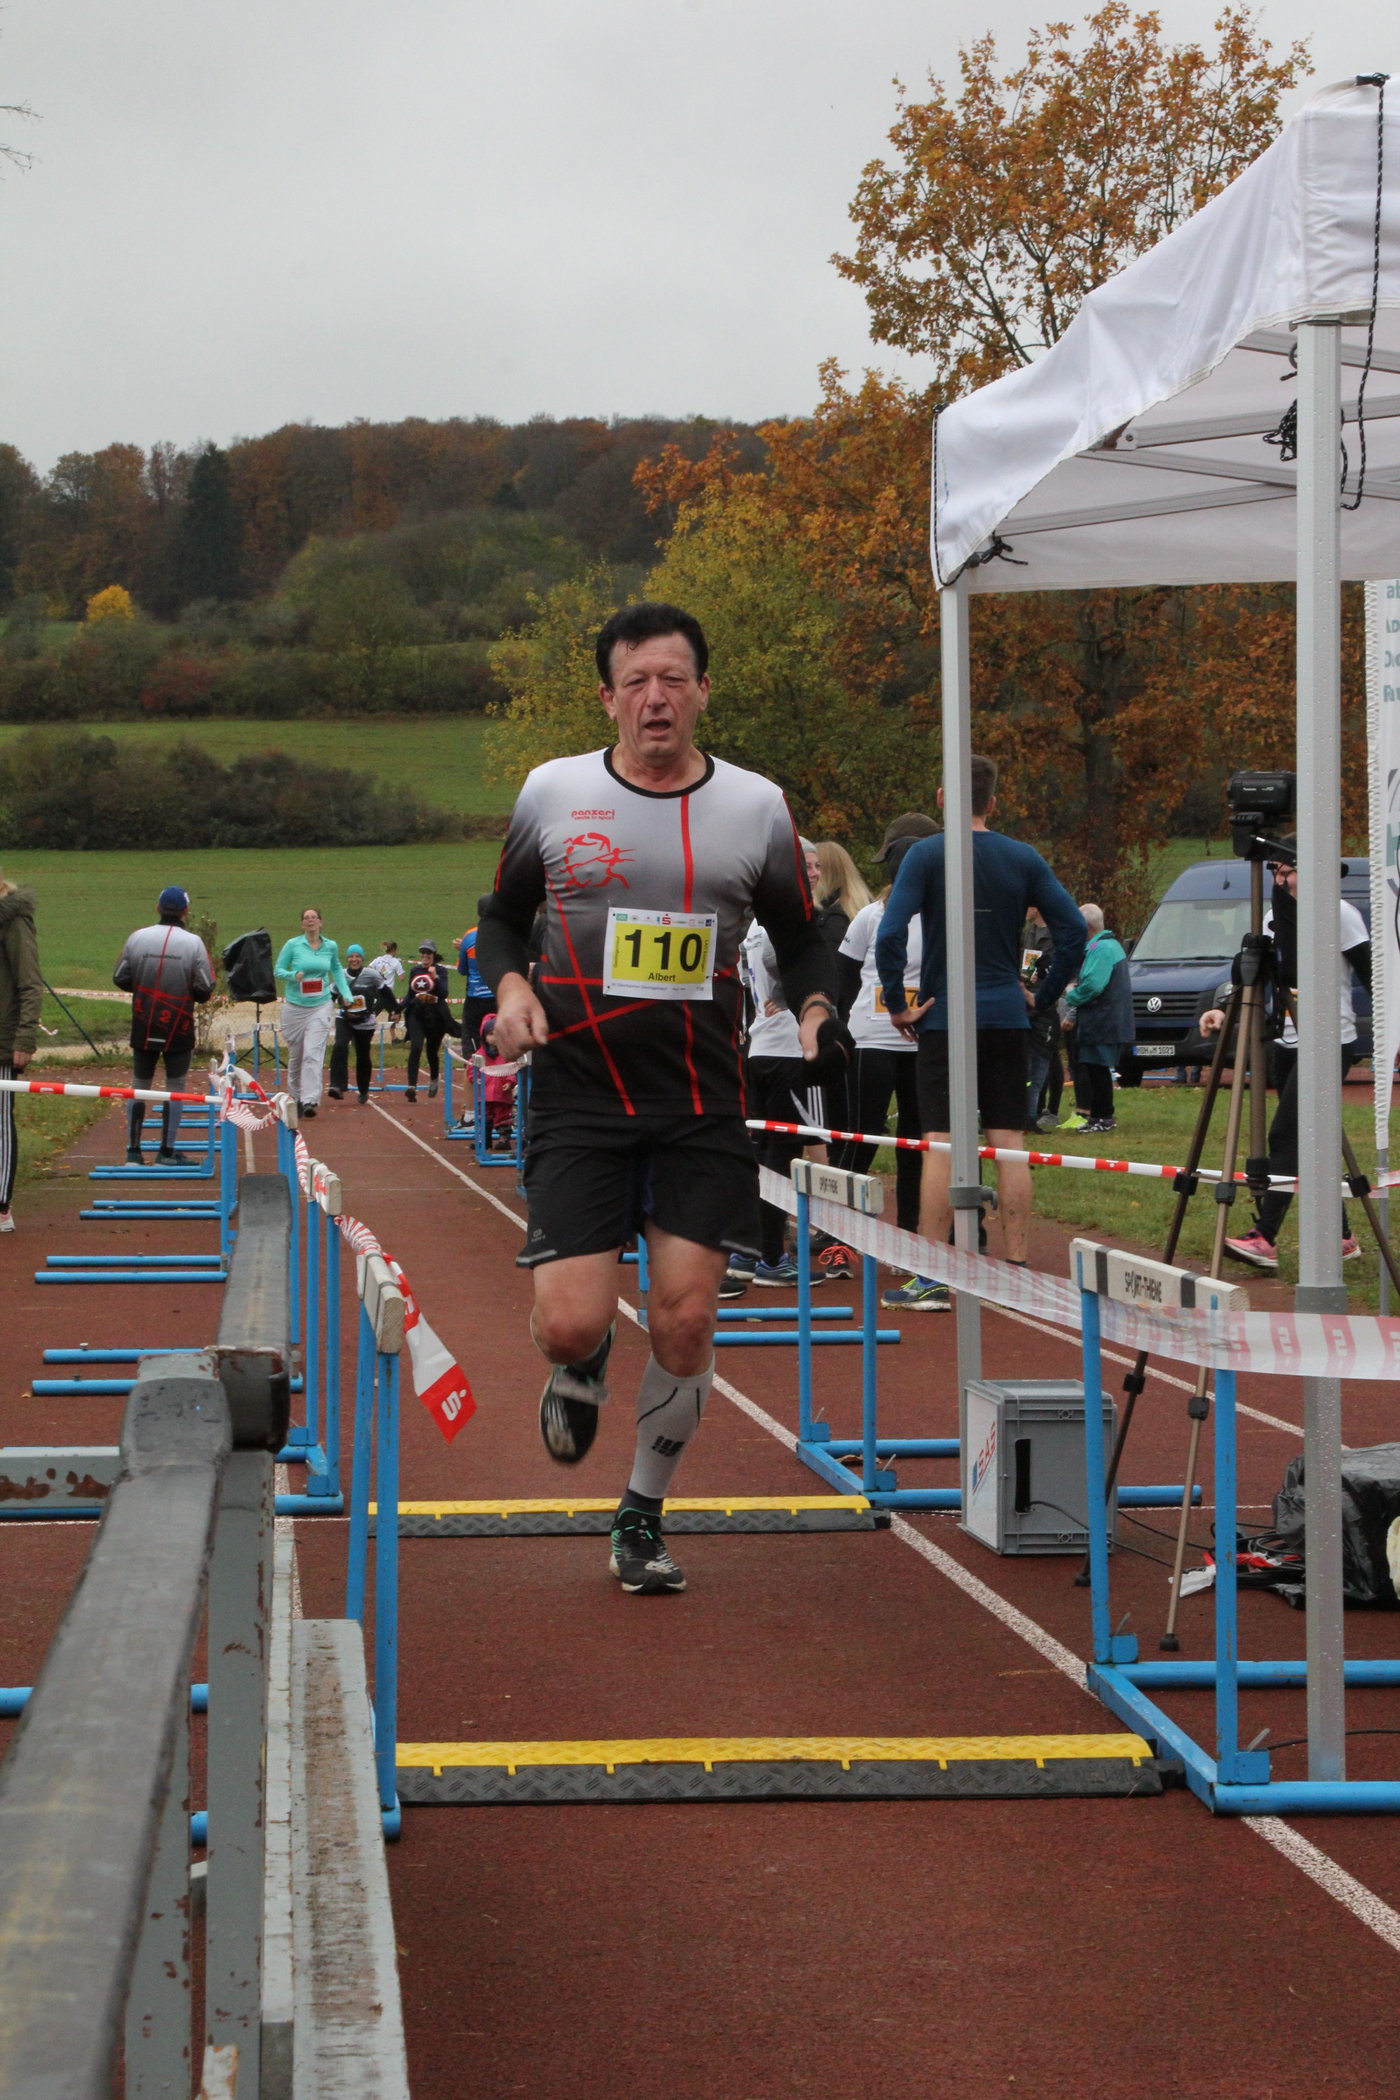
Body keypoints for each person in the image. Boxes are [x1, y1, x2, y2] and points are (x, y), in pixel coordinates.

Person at [477, 599, 846, 1595]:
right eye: (635, 681)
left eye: (672, 679)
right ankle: (583, 1359)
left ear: (702, 692)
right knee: (567, 1322)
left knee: (684, 1321)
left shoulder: (756, 807)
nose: (654, 698)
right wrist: (510, 989)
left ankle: (640, 1513)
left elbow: (801, 934)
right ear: (607, 698)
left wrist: (817, 1012)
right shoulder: (552, 793)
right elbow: (502, 918)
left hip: (698, 1099)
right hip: (580, 1094)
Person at [875, 755, 1086, 1308]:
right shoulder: (1023, 857)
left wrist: (897, 1004)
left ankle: (931, 1276)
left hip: (946, 1016)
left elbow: (890, 933)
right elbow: (1073, 930)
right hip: (1004, 1015)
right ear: (992, 802)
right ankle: (1016, 1269)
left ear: (942, 798)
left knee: (940, 1143)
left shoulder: (925, 854)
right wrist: (1043, 993)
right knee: (1008, 1142)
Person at [1198, 850, 1371, 1271]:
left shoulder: (1341, 915)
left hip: (1329, 1041)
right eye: (1276, 871)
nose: (1280, 880)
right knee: (1312, 1140)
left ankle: (1264, 1237)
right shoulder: (1274, 917)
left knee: (1284, 1136)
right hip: (1286, 1041)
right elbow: (1250, 972)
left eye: (1288, 872)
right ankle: (1342, 1237)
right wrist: (1222, 1010)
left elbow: (1372, 976)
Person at [833, 831, 926, 1233]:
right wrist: (845, 1027)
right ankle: (838, 1230)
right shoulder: (871, 915)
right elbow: (843, 973)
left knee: (915, 1142)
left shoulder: (940, 917)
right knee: (862, 1135)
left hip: (920, 1042)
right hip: (871, 1040)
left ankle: (910, 1232)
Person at [737, 914, 834, 1288]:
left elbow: (748, 972)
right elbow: (776, 962)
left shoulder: (754, 925)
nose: (812, 883)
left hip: (760, 1046)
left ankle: (749, 1250)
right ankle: (770, 1258)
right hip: (789, 1050)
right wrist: (787, 995)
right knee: (782, 1157)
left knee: (764, 1156)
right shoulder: (783, 920)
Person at [112, 886, 215, 1166]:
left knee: (139, 1085)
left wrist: (144, 990)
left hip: (143, 1022)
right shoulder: (193, 943)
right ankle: (166, 1152)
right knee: (175, 1087)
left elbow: (120, 977)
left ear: (158, 908)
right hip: (179, 1025)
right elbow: (206, 987)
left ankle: (133, 1152)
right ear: (185, 911)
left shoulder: (137, 937)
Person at [1061, 904, 1133, 1134]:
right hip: (1106, 1018)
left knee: (1098, 1069)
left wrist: (1071, 994)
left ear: (1086, 926)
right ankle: (1098, 1117)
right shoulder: (1110, 945)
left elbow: (1093, 985)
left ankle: (1103, 1117)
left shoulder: (1100, 949)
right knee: (1095, 1068)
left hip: (1102, 1019)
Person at [273, 907, 352, 1118]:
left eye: (314, 917)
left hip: (320, 1005)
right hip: (295, 1006)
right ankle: (295, 1097)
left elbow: (336, 969)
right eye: (306, 918)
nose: (310, 921)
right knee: (296, 1056)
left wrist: (346, 994)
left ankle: (310, 1100)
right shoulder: (293, 945)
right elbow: (278, 970)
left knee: (312, 1053)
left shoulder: (330, 946)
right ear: (302, 924)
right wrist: (293, 975)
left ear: (320, 922)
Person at [0, 871, 42, 1230]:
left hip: (2, 1040)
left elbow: (29, 982)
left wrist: (24, 1037)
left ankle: (1, 1206)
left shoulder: (13, 920)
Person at [1022, 907, 1066, 1132]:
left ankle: (1045, 1111)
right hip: (1026, 1005)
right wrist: (1025, 978)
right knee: (1031, 1065)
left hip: (1044, 1007)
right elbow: (1027, 969)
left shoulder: (1055, 934)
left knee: (1046, 1062)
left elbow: (1060, 971)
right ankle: (1031, 1112)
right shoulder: (1029, 932)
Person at [328, 944, 389, 1105]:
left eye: (357, 956)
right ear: (347, 958)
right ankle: (337, 1085)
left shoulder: (372, 975)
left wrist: (393, 1010)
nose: (354, 959)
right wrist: (322, 1012)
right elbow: (331, 995)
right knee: (340, 1046)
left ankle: (363, 1089)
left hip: (365, 1021)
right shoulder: (340, 975)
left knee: (362, 1055)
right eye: (351, 956)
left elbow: (386, 994)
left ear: (362, 959)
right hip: (344, 1018)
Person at [403, 939, 458, 1102]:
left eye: (428, 953)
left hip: (436, 1016)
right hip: (417, 1014)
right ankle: (411, 1086)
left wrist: (435, 977)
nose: (425, 955)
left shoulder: (441, 971)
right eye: (423, 952)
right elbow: (410, 994)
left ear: (433, 955)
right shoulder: (415, 970)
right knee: (416, 1046)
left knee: (431, 1052)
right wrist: (397, 1009)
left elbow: (444, 993)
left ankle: (434, 1078)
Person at [476, 1013, 518, 1146]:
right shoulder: (480, 1054)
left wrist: (510, 1082)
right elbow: (473, 1068)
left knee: (503, 1116)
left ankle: (504, 1138)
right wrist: (475, 1079)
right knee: (484, 1116)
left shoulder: (507, 1053)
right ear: (484, 1036)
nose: (495, 1038)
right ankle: (484, 1138)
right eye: (491, 1034)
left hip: (501, 1093)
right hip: (484, 1093)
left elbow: (512, 1068)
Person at [456, 924, 496, 1051]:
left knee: (471, 1039)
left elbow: (462, 970)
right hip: (497, 996)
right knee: (498, 1037)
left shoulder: (469, 936)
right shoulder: (503, 932)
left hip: (475, 997)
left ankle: (472, 1061)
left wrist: (463, 948)